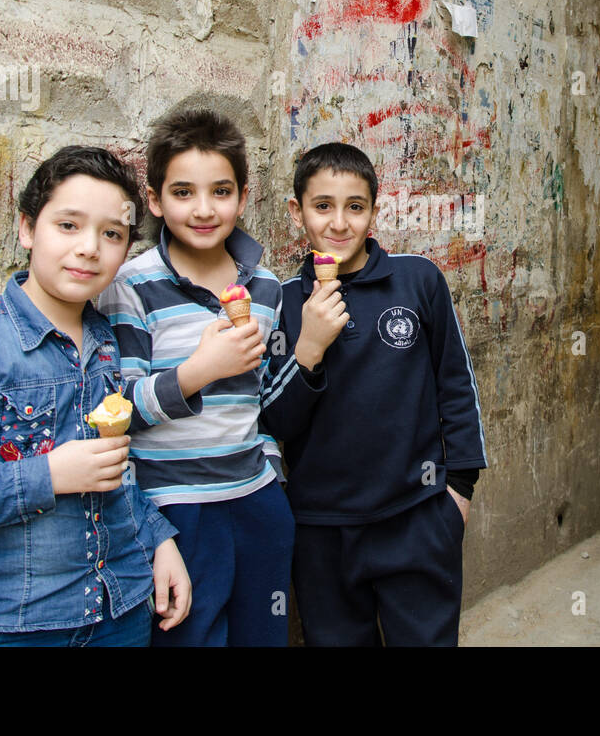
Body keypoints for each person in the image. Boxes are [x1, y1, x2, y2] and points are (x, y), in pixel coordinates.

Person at [0, 146, 191, 646]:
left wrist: (159, 542)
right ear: (28, 229)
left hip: (125, 609)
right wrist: (48, 475)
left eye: (111, 234)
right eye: (68, 225)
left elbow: (117, 469)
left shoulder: (107, 342)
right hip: (22, 626)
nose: (90, 247)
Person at [259, 142, 487, 646]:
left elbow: (455, 386)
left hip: (416, 515)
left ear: (374, 212)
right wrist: (309, 348)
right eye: (323, 206)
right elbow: (275, 423)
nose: (339, 224)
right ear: (297, 212)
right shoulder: (284, 302)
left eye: (355, 207)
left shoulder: (417, 280)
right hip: (322, 528)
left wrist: (459, 492)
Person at [96, 108, 292, 646]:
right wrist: (195, 373)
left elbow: (264, 396)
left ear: (243, 197)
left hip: (256, 502)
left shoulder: (268, 287)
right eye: (183, 193)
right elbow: (116, 411)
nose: (204, 210)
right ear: (154, 201)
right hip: (175, 512)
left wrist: (272, 472)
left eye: (221, 192)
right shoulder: (132, 286)